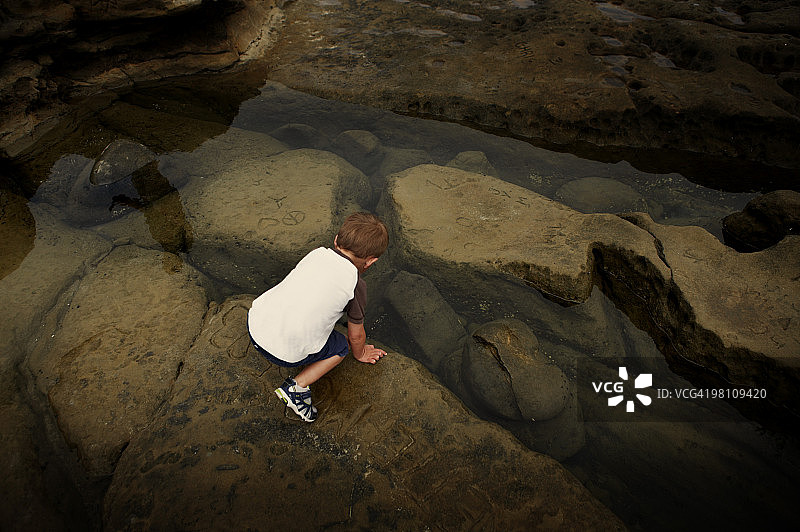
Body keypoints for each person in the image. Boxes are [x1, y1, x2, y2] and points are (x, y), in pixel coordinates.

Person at [247, 212, 389, 422]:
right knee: (341, 345)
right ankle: (297, 388)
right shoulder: (355, 284)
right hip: (282, 352)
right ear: (370, 262)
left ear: (335, 240)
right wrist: (360, 354)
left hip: (255, 325)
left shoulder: (317, 254)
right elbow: (356, 335)